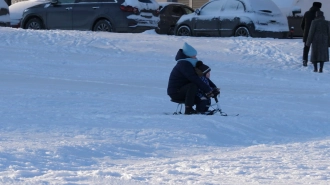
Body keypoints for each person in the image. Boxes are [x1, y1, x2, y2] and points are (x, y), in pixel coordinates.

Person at [167, 42, 214, 115]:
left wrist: (213, 88)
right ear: (188, 56)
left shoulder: (189, 63)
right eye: (194, 56)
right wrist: (208, 89)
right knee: (193, 85)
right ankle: (188, 109)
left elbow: (201, 77)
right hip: (176, 92)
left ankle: (201, 110)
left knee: (201, 95)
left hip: (185, 90)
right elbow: (194, 79)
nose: (196, 58)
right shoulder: (184, 64)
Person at [301, 2, 322, 67]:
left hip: (307, 33)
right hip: (316, 34)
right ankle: (314, 60)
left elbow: (302, 25)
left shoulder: (307, 13)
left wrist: (305, 31)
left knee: (306, 47)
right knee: (315, 48)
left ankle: (305, 60)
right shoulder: (320, 14)